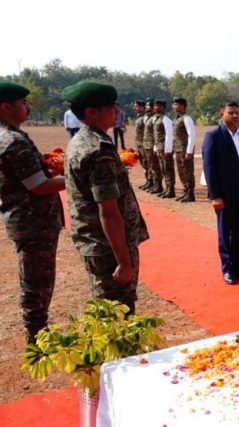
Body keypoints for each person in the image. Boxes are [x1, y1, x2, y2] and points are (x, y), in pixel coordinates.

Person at [63, 81, 149, 314]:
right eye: (111, 108)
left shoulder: (82, 140)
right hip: (107, 248)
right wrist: (123, 261)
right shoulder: (97, 150)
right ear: (91, 113)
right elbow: (108, 211)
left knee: (109, 312)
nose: (118, 112)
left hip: (96, 243)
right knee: (117, 315)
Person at [0, 81, 66, 343]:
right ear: (6, 107)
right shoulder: (13, 141)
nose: (27, 107)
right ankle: (37, 338)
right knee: (36, 281)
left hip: (28, 220)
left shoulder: (10, 135)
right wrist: (76, 178)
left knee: (35, 278)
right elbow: (39, 187)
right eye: (23, 103)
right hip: (32, 221)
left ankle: (38, 333)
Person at [202, 100, 239, 285]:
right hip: (224, 194)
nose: (235, 116)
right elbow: (209, 168)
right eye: (231, 113)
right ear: (222, 114)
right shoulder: (213, 136)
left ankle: (238, 266)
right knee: (224, 233)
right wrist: (215, 195)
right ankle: (227, 268)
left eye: (237, 112)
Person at [171, 97, 197, 202]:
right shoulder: (176, 119)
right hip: (178, 149)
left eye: (176, 104)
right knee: (181, 171)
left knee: (187, 171)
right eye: (173, 104)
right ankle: (186, 191)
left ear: (182, 106)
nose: (174, 106)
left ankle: (190, 194)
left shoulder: (186, 118)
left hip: (185, 149)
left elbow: (192, 135)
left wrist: (189, 151)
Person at [152, 100, 175, 199]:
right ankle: (166, 188)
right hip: (159, 147)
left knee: (168, 168)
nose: (155, 107)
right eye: (155, 106)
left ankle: (171, 189)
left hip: (165, 148)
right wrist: (155, 147)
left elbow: (169, 135)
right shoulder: (156, 119)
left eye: (157, 106)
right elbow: (155, 136)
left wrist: (168, 149)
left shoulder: (166, 120)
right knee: (163, 168)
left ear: (162, 107)